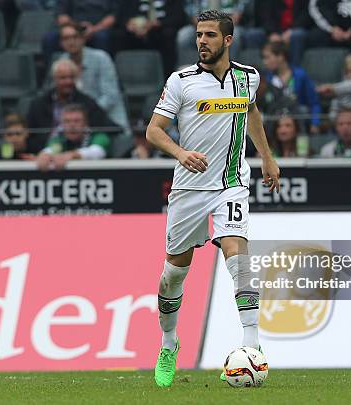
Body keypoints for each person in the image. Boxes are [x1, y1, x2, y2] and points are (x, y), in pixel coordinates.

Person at [145, 10, 280, 387]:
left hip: (231, 183)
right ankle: (169, 343)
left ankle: (252, 344)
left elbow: (251, 111)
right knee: (174, 274)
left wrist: (267, 158)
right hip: (189, 188)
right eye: (199, 35)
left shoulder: (248, 78)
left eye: (209, 35)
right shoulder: (181, 82)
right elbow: (154, 131)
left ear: (228, 40)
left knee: (238, 253)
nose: (202, 41)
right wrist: (180, 153)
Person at [48, 23, 129, 131]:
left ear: (83, 39)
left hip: (107, 119)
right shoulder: (61, 62)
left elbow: (110, 96)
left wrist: (86, 115)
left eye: (75, 37)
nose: (71, 42)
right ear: (61, 43)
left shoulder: (101, 58)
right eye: (66, 38)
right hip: (75, 124)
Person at [26, 58, 118, 152]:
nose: (68, 82)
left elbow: (110, 129)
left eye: (71, 77)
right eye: (63, 78)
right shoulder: (38, 104)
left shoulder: (88, 103)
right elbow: (29, 134)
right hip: (43, 153)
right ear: (54, 79)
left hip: (79, 154)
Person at [260, 41, 322, 133]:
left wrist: (315, 123)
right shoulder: (267, 78)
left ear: (280, 57)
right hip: (275, 122)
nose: (265, 62)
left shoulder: (300, 75)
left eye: (268, 57)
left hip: (297, 120)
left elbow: (314, 103)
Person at [114, 0, 186, 76]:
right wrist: (128, 23)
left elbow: (179, 18)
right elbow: (120, 17)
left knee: (168, 35)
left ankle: (168, 78)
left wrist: (157, 24)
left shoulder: (172, 2)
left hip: (161, 30)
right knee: (118, 35)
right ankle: (121, 76)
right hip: (134, 30)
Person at [36, 104, 110, 170]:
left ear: (85, 123)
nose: (72, 125)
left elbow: (97, 151)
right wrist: (45, 155)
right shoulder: (60, 138)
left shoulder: (99, 136)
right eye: (67, 121)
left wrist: (71, 155)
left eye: (77, 121)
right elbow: (52, 149)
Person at [287, 0, 351, 66]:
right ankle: (296, 75)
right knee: (309, 36)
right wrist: (332, 29)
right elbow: (315, 9)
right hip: (327, 29)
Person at [42, 0, 117, 61]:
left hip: (100, 28)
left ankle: (103, 69)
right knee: (50, 38)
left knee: (102, 38)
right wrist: (77, 28)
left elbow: (114, 16)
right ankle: (51, 74)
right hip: (72, 27)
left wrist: (94, 29)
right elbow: (62, 16)